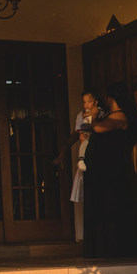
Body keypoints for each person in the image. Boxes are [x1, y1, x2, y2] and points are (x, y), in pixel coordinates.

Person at [82, 81, 137, 258]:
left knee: (112, 208)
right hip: (101, 172)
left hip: (114, 171)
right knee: (100, 208)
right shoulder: (106, 115)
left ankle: (115, 250)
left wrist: (94, 116)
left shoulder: (119, 116)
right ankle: (99, 249)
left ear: (110, 97)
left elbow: (98, 128)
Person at [52, 90, 102, 243]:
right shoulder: (82, 116)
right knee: (90, 195)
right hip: (87, 154)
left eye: (89, 101)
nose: (86, 104)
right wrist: (62, 154)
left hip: (99, 154)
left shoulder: (102, 114)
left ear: (96, 102)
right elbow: (77, 135)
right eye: (84, 102)